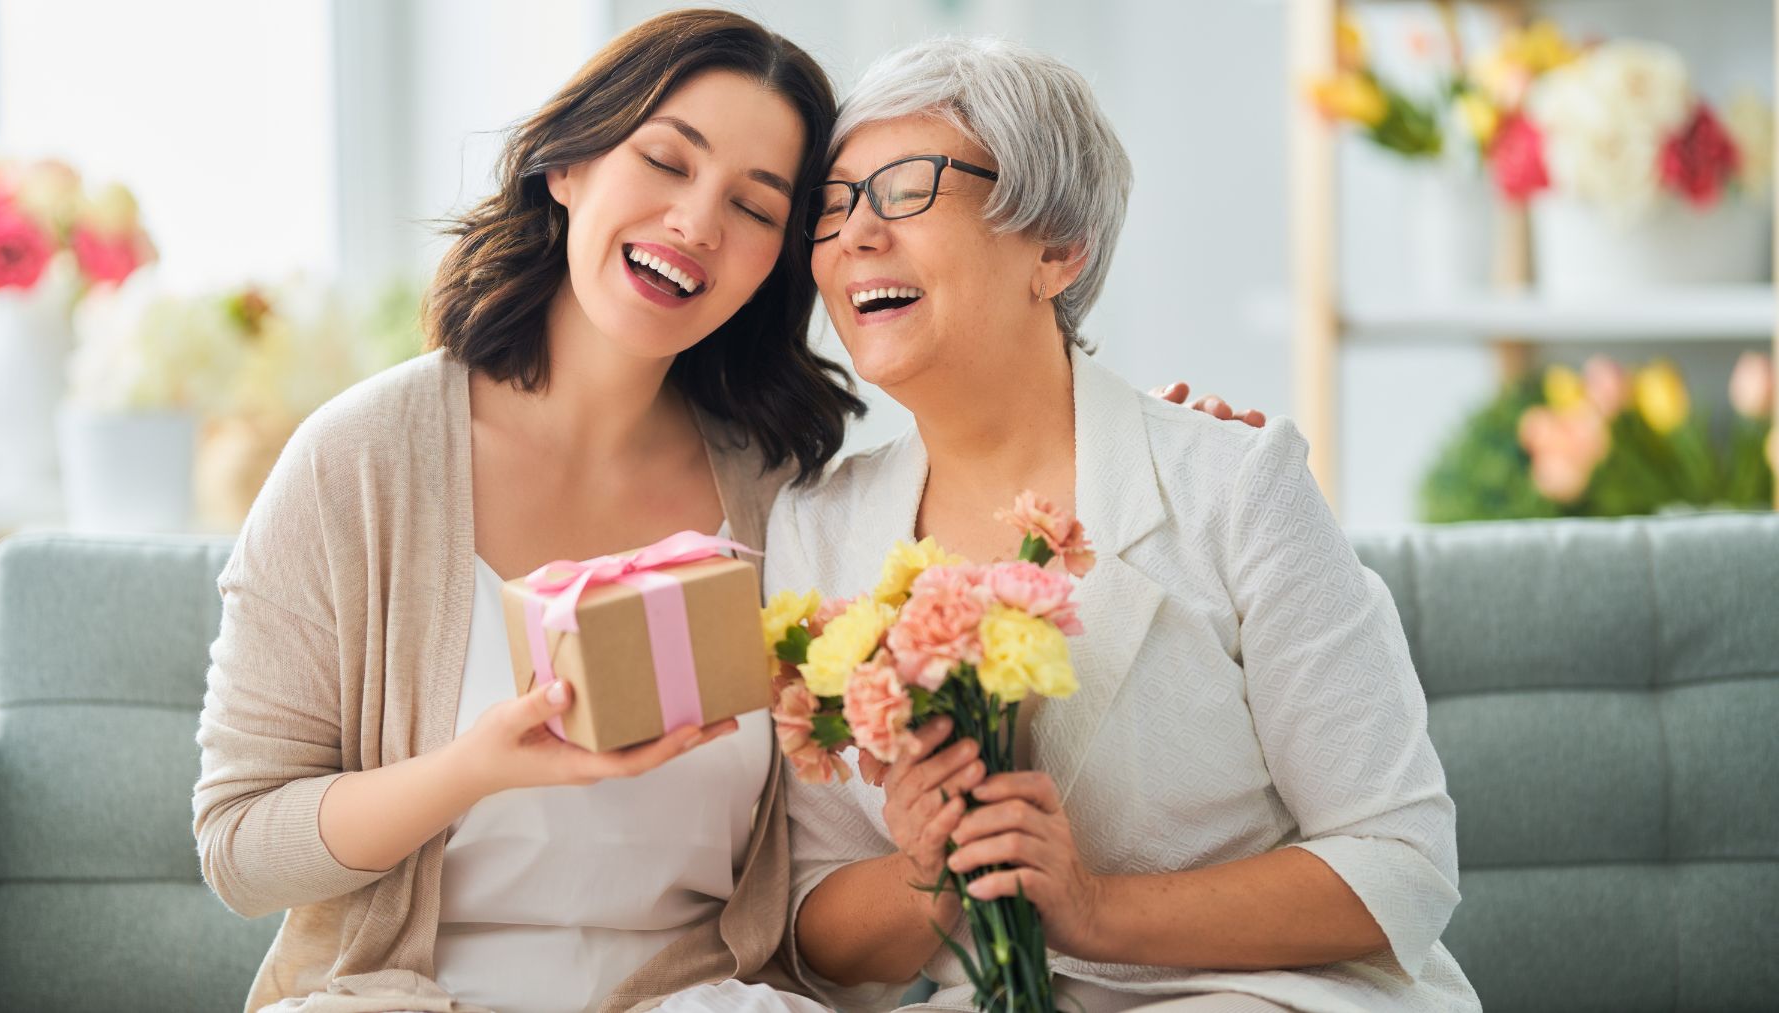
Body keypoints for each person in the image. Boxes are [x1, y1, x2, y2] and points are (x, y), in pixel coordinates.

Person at [770, 37, 1480, 1012]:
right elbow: (809, 914)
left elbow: (1398, 860)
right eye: (835, 202)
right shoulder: (814, 526)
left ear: (1057, 249)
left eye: (904, 187)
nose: (855, 232)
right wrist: (927, 870)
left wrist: (1091, 907)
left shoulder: (1234, 483)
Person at [192, 10, 855, 1012]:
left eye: (755, 208)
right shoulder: (358, 461)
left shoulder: (785, 495)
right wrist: (472, 769)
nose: (697, 222)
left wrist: (1157, 440)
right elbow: (239, 848)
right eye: (667, 160)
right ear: (569, 164)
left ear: (778, 261)